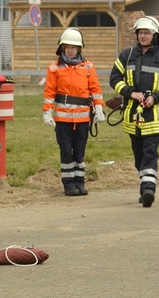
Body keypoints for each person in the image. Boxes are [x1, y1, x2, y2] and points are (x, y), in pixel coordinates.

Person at [109, 16, 159, 208]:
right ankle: (144, 187)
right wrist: (131, 93)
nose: (143, 36)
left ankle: (149, 189)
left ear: (155, 35)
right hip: (133, 117)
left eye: (147, 33)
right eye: (140, 32)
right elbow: (114, 79)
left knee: (150, 152)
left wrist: (155, 97)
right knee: (139, 156)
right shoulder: (127, 55)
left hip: (155, 116)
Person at [42, 27, 105, 196]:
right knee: (66, 152)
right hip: (63, 120)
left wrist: (99, 108)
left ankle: (80, 182)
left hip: (83, 120)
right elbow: (49, 92)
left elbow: (95, 89)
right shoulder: (54, 69)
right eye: (67, 47)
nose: (70, 50)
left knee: (79, 152)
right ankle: (68, 185)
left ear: (79, 49)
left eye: (73, 47)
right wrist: (47, 112)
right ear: (62, 48)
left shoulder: (88, 67)